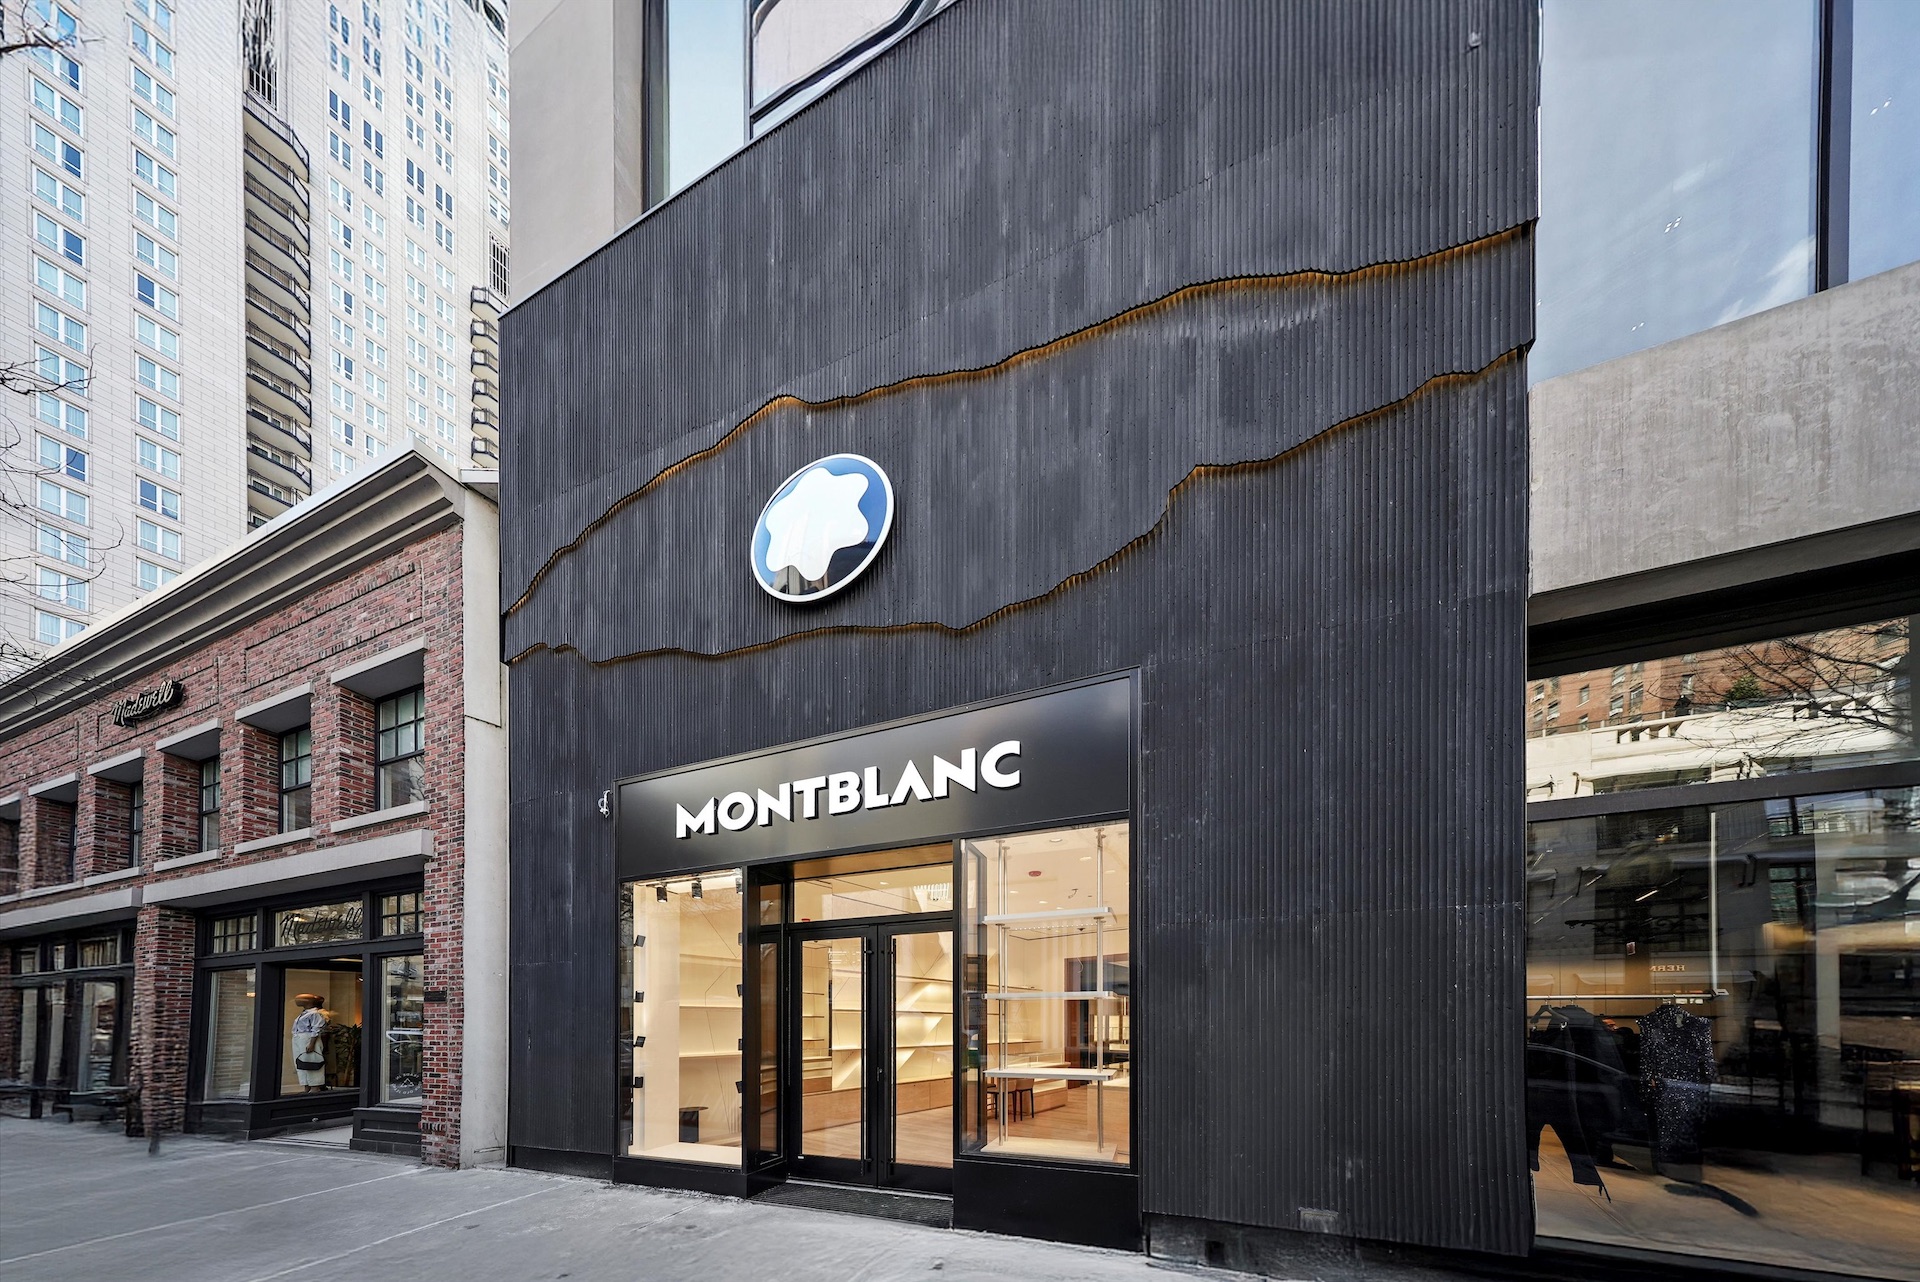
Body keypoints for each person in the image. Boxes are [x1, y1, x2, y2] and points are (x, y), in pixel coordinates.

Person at [291, 994, 329, 1092]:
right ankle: (306, 1085)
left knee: (311, 1060)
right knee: (301, 1062)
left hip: (308, 1038)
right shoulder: (305, 1013)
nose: (297, 1001)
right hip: (299, 1038)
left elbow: (316, 1028)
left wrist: (312, 1043)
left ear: (309, 1001)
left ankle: (315, 1086)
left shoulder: (316, 1013)